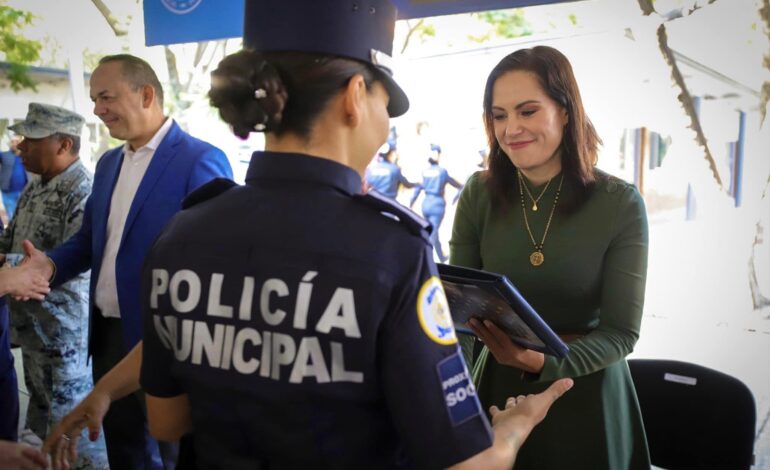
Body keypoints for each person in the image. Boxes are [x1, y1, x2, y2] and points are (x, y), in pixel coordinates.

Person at [124, 1, 571, 469]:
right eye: (384, 100)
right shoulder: (389, 250)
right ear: (355, 95)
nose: (386, 117)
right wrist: (513, 428)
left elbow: (166, 422)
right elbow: (462, 462)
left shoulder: (182, 233)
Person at [16, 54, 233, 469]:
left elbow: (216, 267)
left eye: (106, 97)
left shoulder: (199, 160)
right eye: (95, 98)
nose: (97, 109)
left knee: (170, 453)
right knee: (124, 448)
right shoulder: (110, 162)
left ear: (146, 94)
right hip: (108, 338)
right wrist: (50, 265)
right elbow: (89, 242)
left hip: (164, 341)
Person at [449, 45, 650, 469]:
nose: (511, 129)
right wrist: (457, 400)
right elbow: (458, 317)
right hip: (496, 391)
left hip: (586, 392)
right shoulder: (477, 194)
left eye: (527, 111)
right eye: (498, 115)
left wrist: (544, 363)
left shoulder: (619, 203)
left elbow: (621, 333)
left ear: (565, 110)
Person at [0, 103, 108, 468]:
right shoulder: (35, 187)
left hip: (64, 339)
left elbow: (75, 260)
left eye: (31, 140)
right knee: (44, 422)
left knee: (73, 432)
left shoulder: (85, 191)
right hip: (32, 332)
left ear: (63, 145)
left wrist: (11, 268)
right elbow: (10, 242)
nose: (20, 148)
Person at [410, 143, 464, 262]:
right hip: (437, 205)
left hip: (426, 203)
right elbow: (456, 184)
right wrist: (459, 193)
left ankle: (441, 256)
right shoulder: (442, 171)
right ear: (438, 155)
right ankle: (422, 258)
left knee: (433, 231)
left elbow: (418, 188)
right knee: (432, 233)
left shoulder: (425, 171)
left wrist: (411, 202)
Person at [0, 136, 28, 220]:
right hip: (8, 192)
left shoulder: (26, 156)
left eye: (17, 141)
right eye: (12, 142)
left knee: (24, 215)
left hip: (24, 191)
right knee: (12, 216)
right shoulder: (4, 155)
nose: (14, 144)